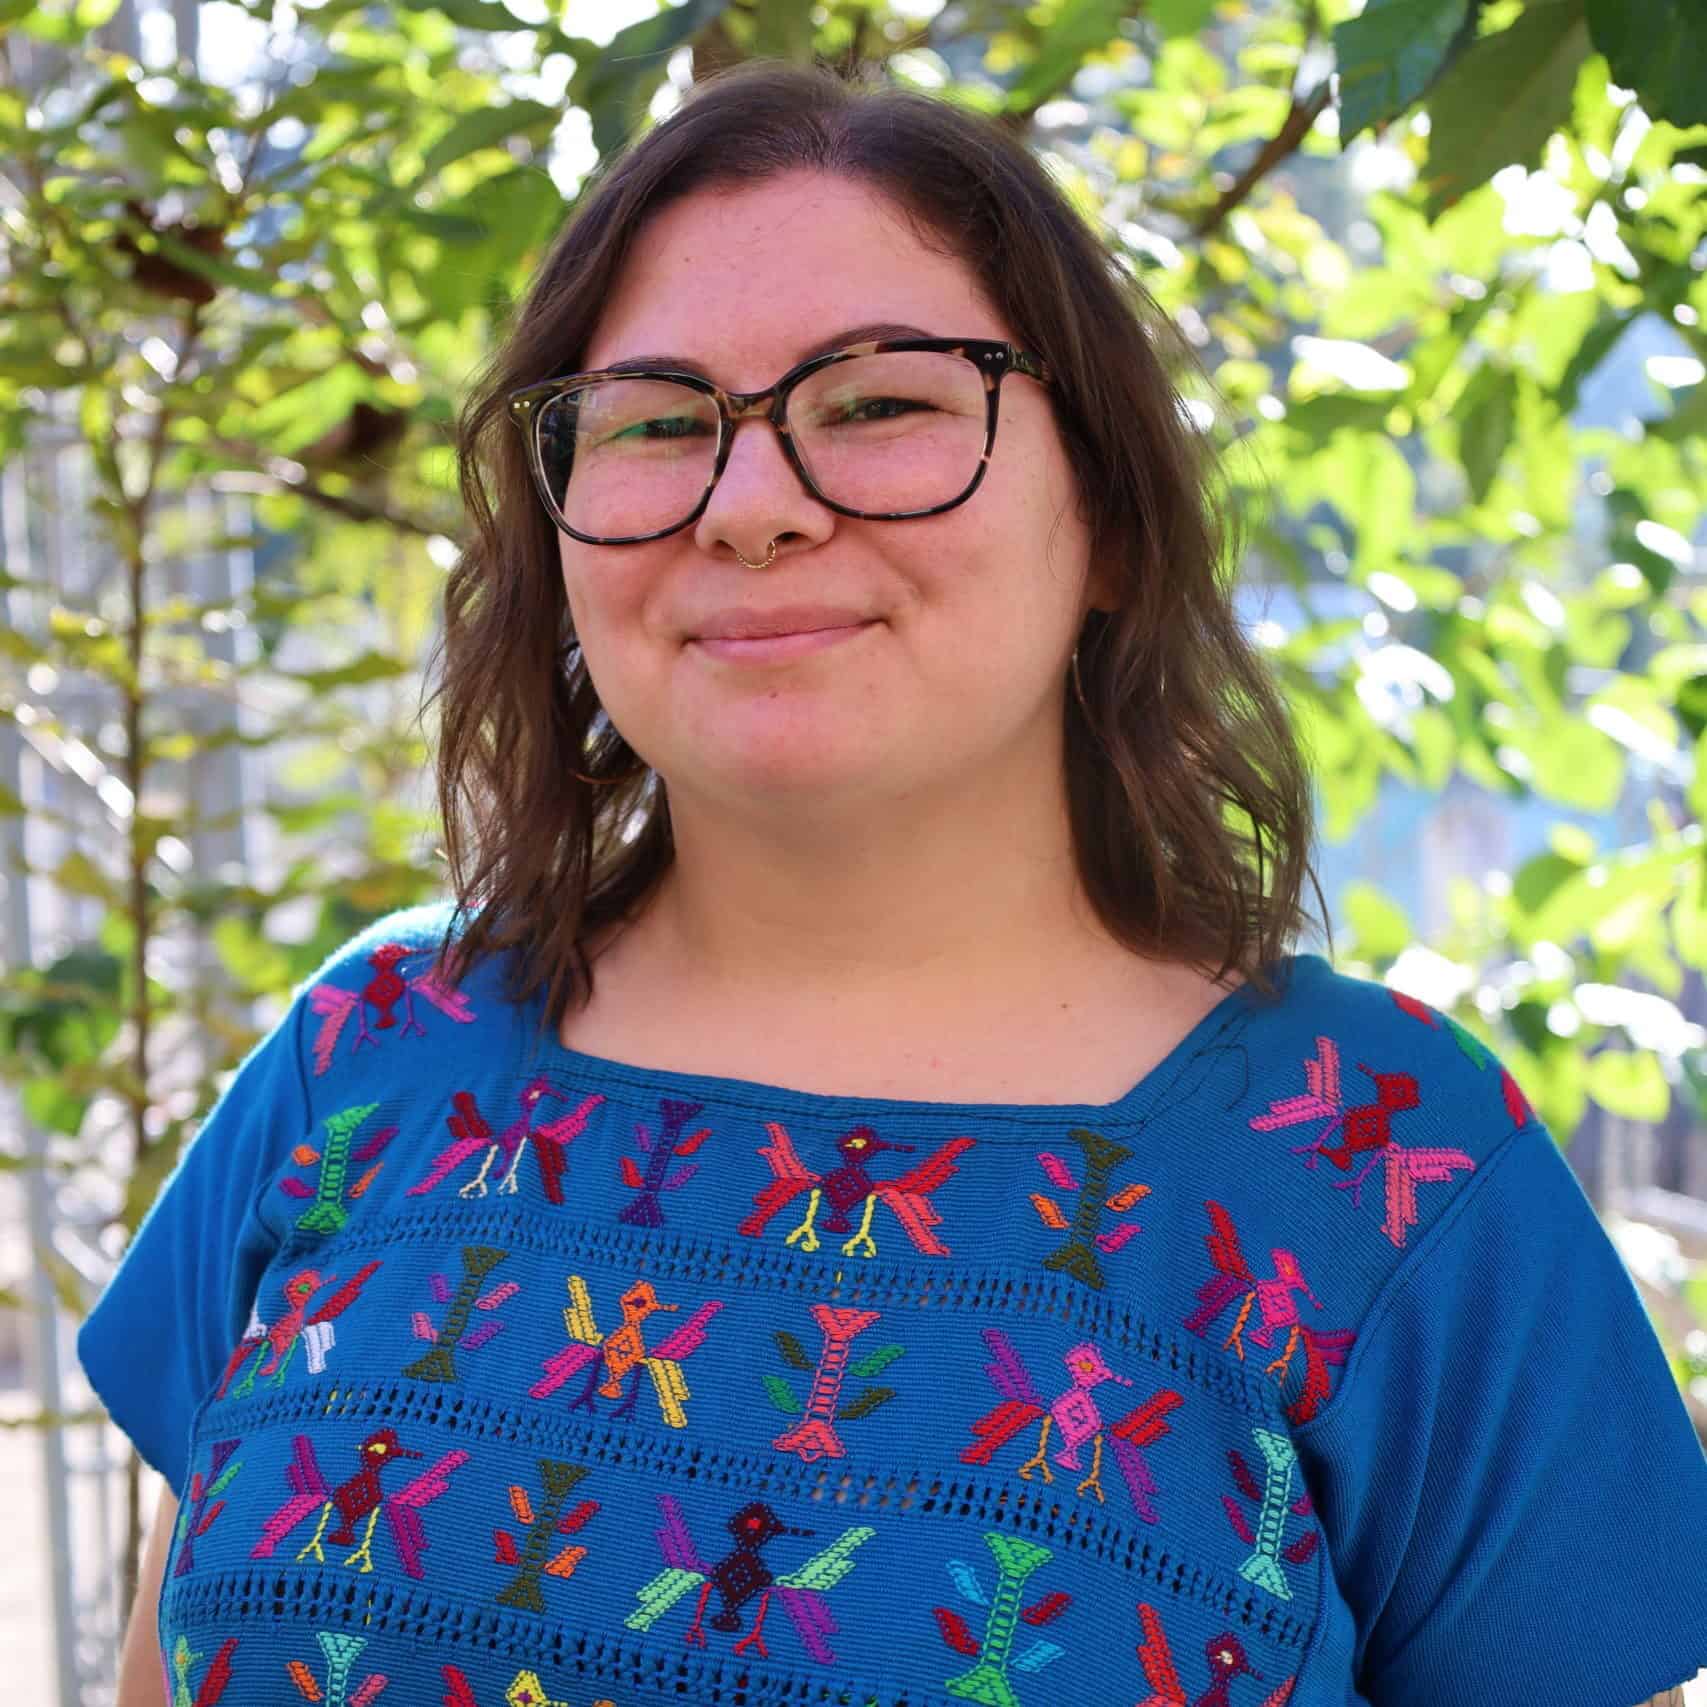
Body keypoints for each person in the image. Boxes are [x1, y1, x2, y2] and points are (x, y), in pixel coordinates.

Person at [82, 58, 1705, 1707]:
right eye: (658, 422)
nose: (754, 506)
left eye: (880, 404)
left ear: (1117, 520)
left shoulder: (1382, 1170)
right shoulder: (363, 1057)